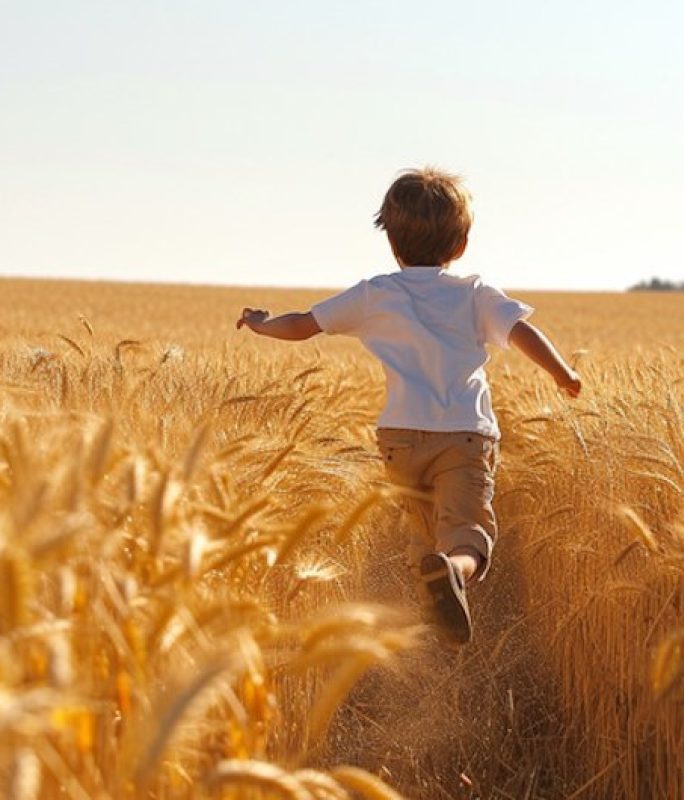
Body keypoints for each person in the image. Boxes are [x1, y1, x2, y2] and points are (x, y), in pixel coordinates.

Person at [237, 167, 581, 644]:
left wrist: (261, 323)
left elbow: (303, 324)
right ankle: (456, 573)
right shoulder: (474, 294)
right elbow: (523, 332)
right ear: (460, 245)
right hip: (463, 435)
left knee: (422, 537)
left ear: (393, 243)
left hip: (399, 438)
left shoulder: (377, 293)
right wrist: (563, 373)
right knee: (466, 536)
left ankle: (434, 614)